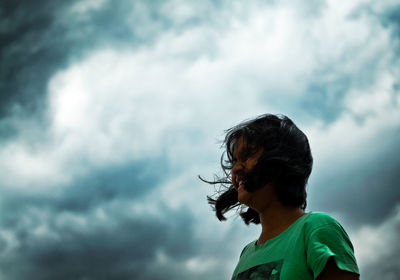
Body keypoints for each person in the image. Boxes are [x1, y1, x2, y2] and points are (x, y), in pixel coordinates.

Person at [200, 114, 360, 280]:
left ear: (280, 160)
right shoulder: (246, 254)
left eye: (246, 156)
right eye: (235, 161)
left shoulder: (316, 229)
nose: (236, 169)